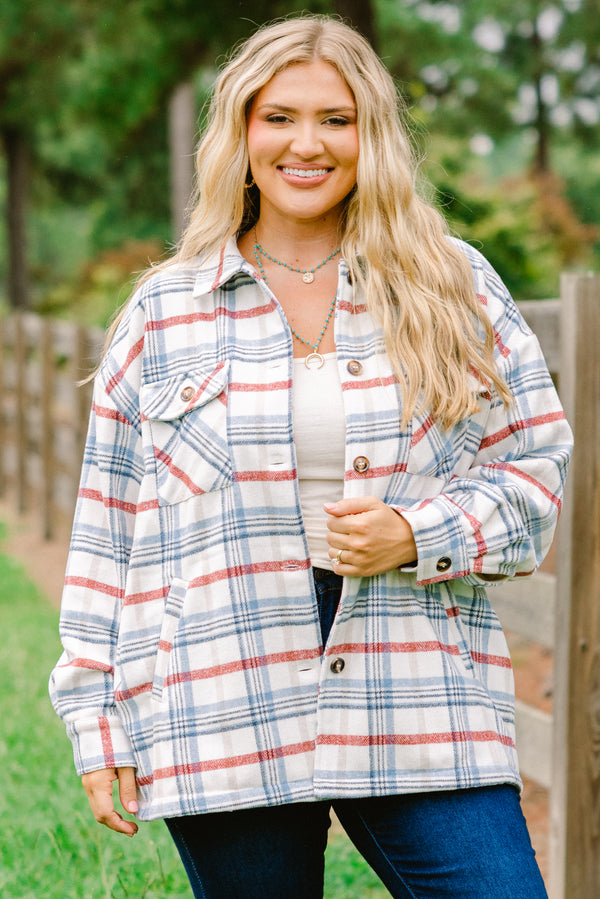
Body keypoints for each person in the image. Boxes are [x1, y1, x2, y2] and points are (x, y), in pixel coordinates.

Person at [50, 14, 572, 899]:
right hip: (224, 686)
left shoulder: (454, 285)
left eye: (337, 119)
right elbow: (110, 533)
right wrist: (94, 716)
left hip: (417, 681)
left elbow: (535, 471)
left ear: (372, 137)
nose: (307, 144)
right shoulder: (167, 312)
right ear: (241, 132)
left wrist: (417, 529)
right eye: (279, 116)